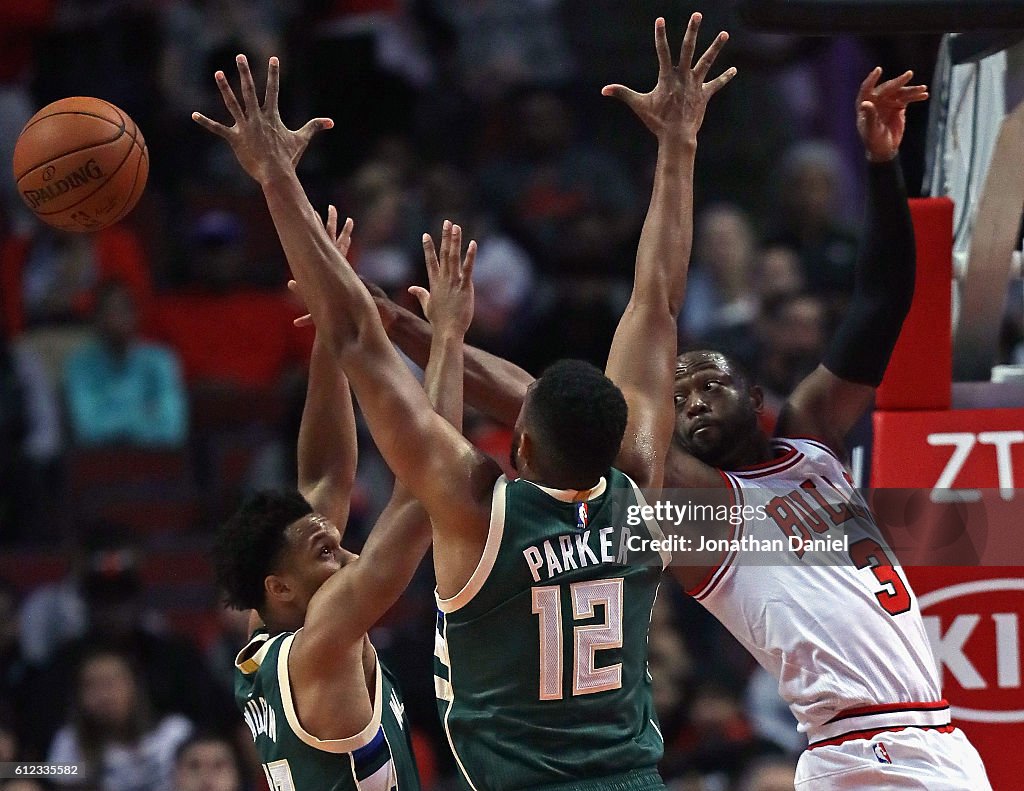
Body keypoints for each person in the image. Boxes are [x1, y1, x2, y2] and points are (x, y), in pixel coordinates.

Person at [362, 68, 993, 789]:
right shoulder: (699, 507)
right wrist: (415, 332)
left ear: (754, 392)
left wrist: (883, 165)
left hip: (935, 734)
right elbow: (550, 399)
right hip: (865, 746)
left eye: (708, 382)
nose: (690, 398)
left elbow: (884, 299)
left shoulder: (812, 437)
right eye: (678, 392)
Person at [193, 12, 734, 789]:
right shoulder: (639, 486)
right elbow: (657, 302)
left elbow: (352, 340)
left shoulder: (479, 510)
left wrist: (275, 177)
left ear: (516, 445)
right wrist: (680, 145)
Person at [212, 206, 475, 791]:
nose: (343, 545)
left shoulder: (270, 620)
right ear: (283, 587)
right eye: (325, 553)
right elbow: (423, 490)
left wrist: (328, 335)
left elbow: (328, 474)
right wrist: (448, 340)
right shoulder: (321, 643)